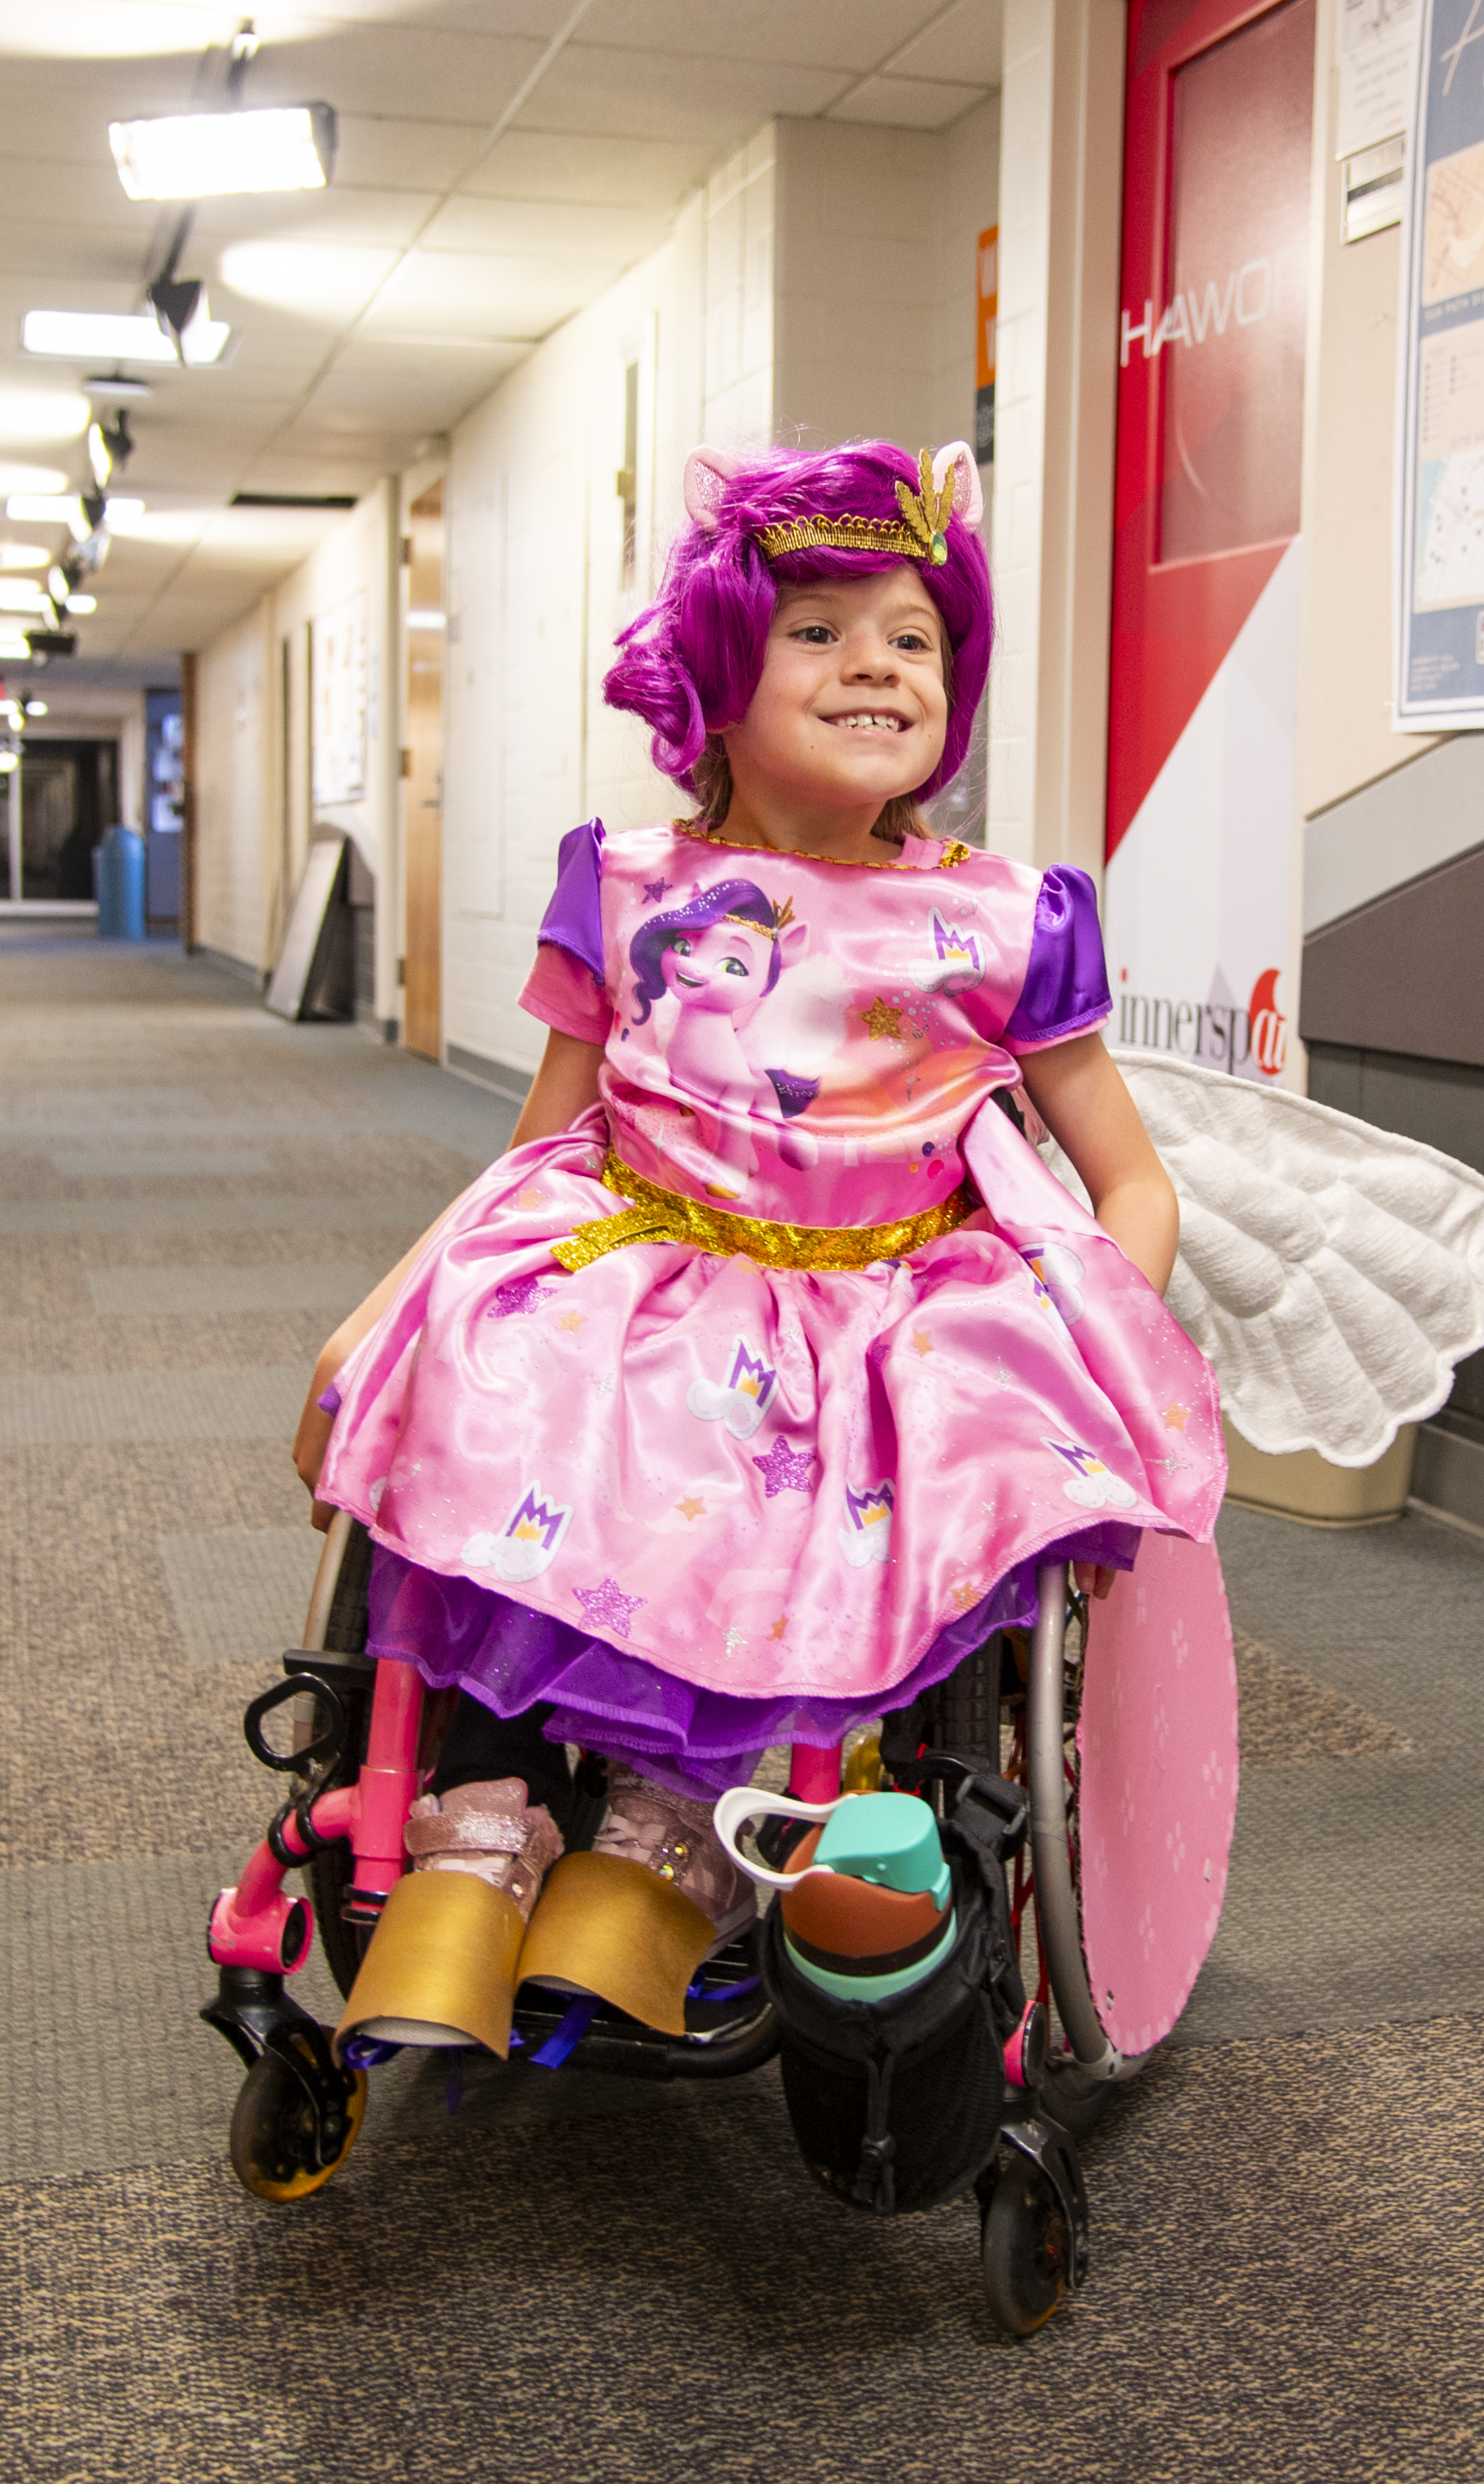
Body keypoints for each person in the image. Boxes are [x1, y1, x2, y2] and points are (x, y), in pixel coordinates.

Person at [286, 437, 1224, 2055]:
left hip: (886, 1302)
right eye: (819, 629)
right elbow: (544, 1142)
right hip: (645, 1259)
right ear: (716, 677)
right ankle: (481, 1820)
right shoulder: (634, 884)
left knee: (802, 1492)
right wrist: (386, 1307)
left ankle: (669, 1834)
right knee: (488, 1384)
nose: (876, 662)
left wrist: (1085, 1350)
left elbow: (1130, 1182)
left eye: (914, 637)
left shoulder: (1003, 916)